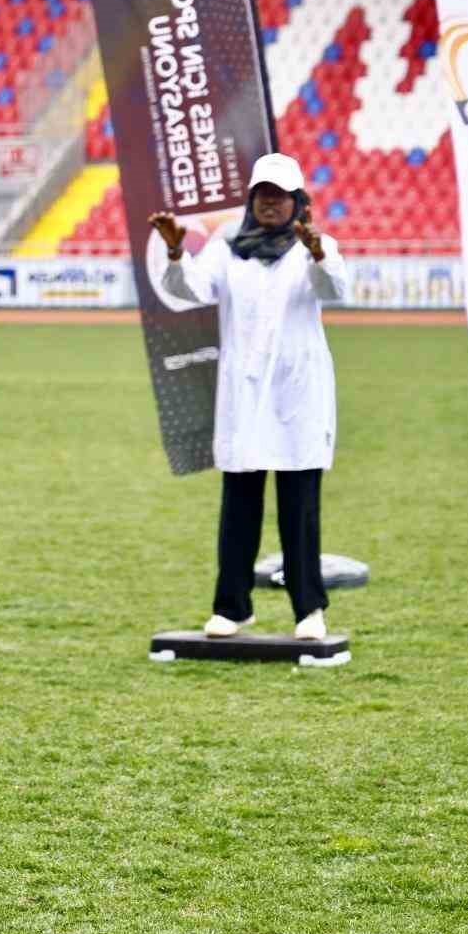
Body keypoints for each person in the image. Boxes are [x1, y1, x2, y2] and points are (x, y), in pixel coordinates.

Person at [149, 152, 348, 642]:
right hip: (244, 392)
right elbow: (190, 288)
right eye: (262, 194)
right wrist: (176, 255)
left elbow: (337, 289)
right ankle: (232, 606)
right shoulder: (226, 246)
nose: (270, 203)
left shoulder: (313, 247)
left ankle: (309, 610)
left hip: (297, 393)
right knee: (239, 500)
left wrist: (320, 253)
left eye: (280, 195)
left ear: (297, 201)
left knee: (299, 506)